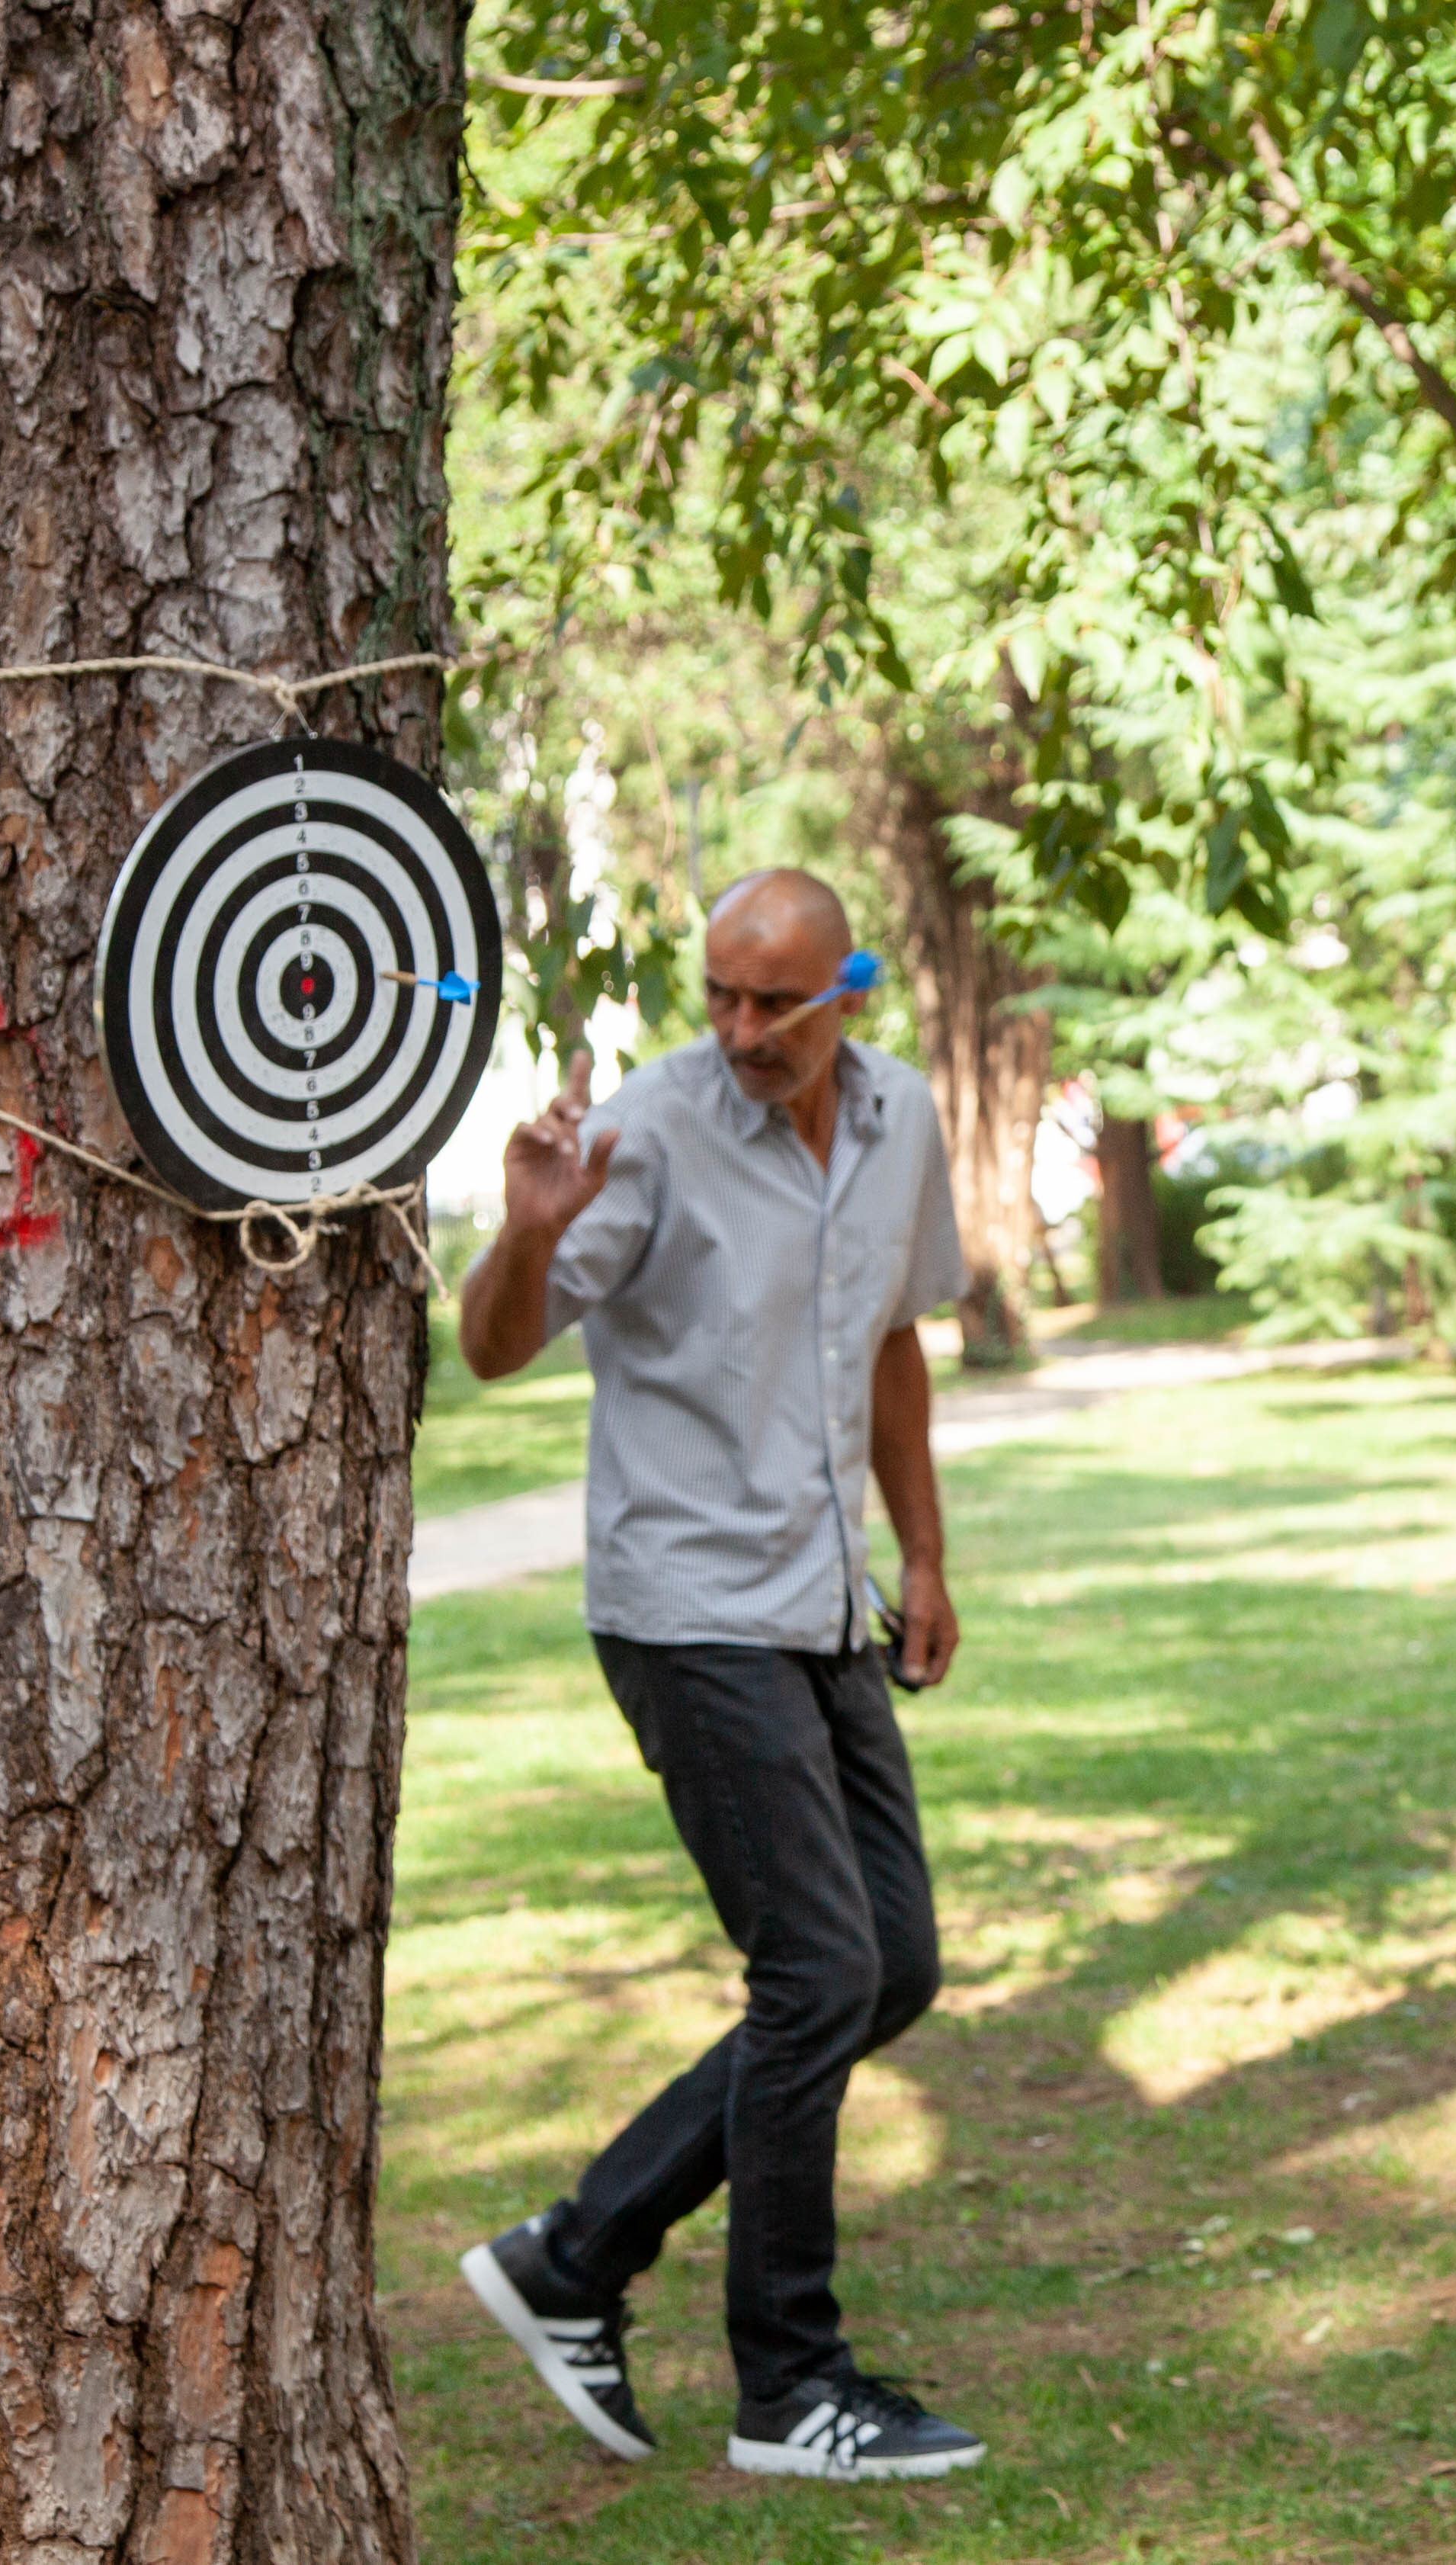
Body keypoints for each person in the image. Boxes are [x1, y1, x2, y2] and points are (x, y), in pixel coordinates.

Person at [451, 868, 986, 2484]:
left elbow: (892, 1339)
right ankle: (790, 2382)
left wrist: (928, 1552)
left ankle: (577, 2251)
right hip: (687, 1606)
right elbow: (493, 1345)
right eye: (723, 998)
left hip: (822, 1603)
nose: (744, 1030)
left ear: (852, 993)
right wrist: (522, 1234)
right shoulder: (651, 1130)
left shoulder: (899, 1121)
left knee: (887, 1963)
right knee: (820, 1967)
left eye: (778, 1002)